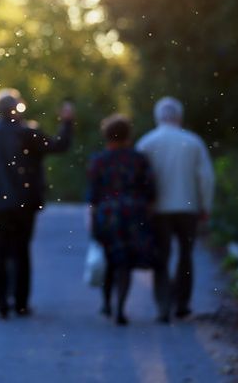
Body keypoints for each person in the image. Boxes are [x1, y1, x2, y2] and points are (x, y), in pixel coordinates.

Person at [0, 89, 74, 319]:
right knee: (21, 252)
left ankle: (0, 303)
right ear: (18, 108)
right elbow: (59, 146)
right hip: (24, 204)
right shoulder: (29, 134)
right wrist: (66, 122)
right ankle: (21, 303)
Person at [136, 96, 215, 319]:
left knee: (161, 256)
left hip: (158, 210)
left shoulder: (146, 143)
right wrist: (205, 205)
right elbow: (206, 178)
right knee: (185, 255)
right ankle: (182, 303)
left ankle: (163, 305)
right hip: (188, 208)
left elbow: (138, 179)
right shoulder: (193, 142)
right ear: (180, 116)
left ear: (157, 116)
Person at [87, 114, 157, 326]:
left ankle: (107, 302)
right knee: (125, 262)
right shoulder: (139, 159)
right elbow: (150, 190)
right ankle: (120, 307)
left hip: (107, 214)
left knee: (109, 258)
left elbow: (93, 195)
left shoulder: (98, 160)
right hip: (134, 214)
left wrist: (92, 221)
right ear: (128, 135)